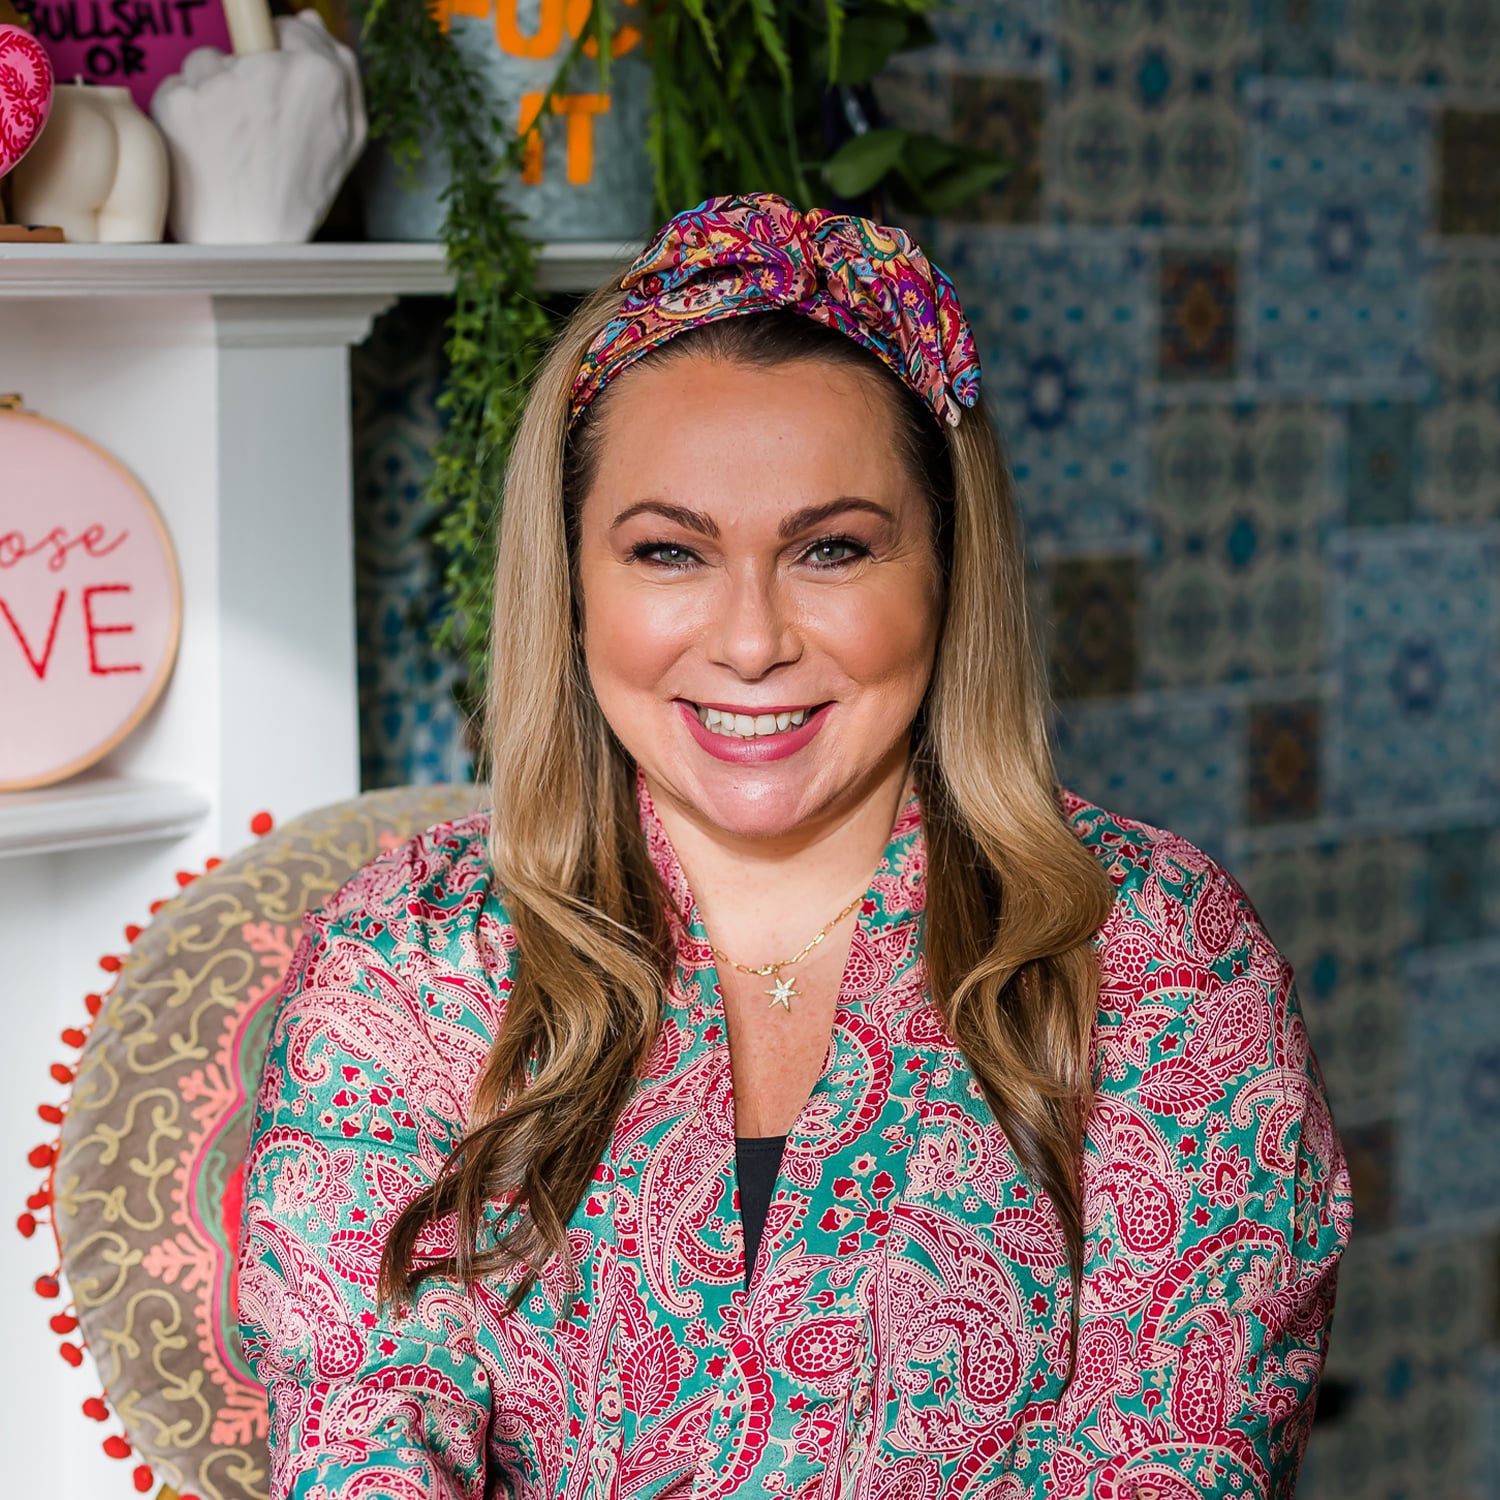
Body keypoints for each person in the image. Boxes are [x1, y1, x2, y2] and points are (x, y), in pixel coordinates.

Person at [238, 193, 1351, 1500]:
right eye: (670, 552)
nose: (753, 639)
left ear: (945, 571)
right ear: (573, 579)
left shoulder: (1160, 950)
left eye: (831, 549)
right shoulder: (411, 959)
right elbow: (362, 1423)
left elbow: (1173, 1457)